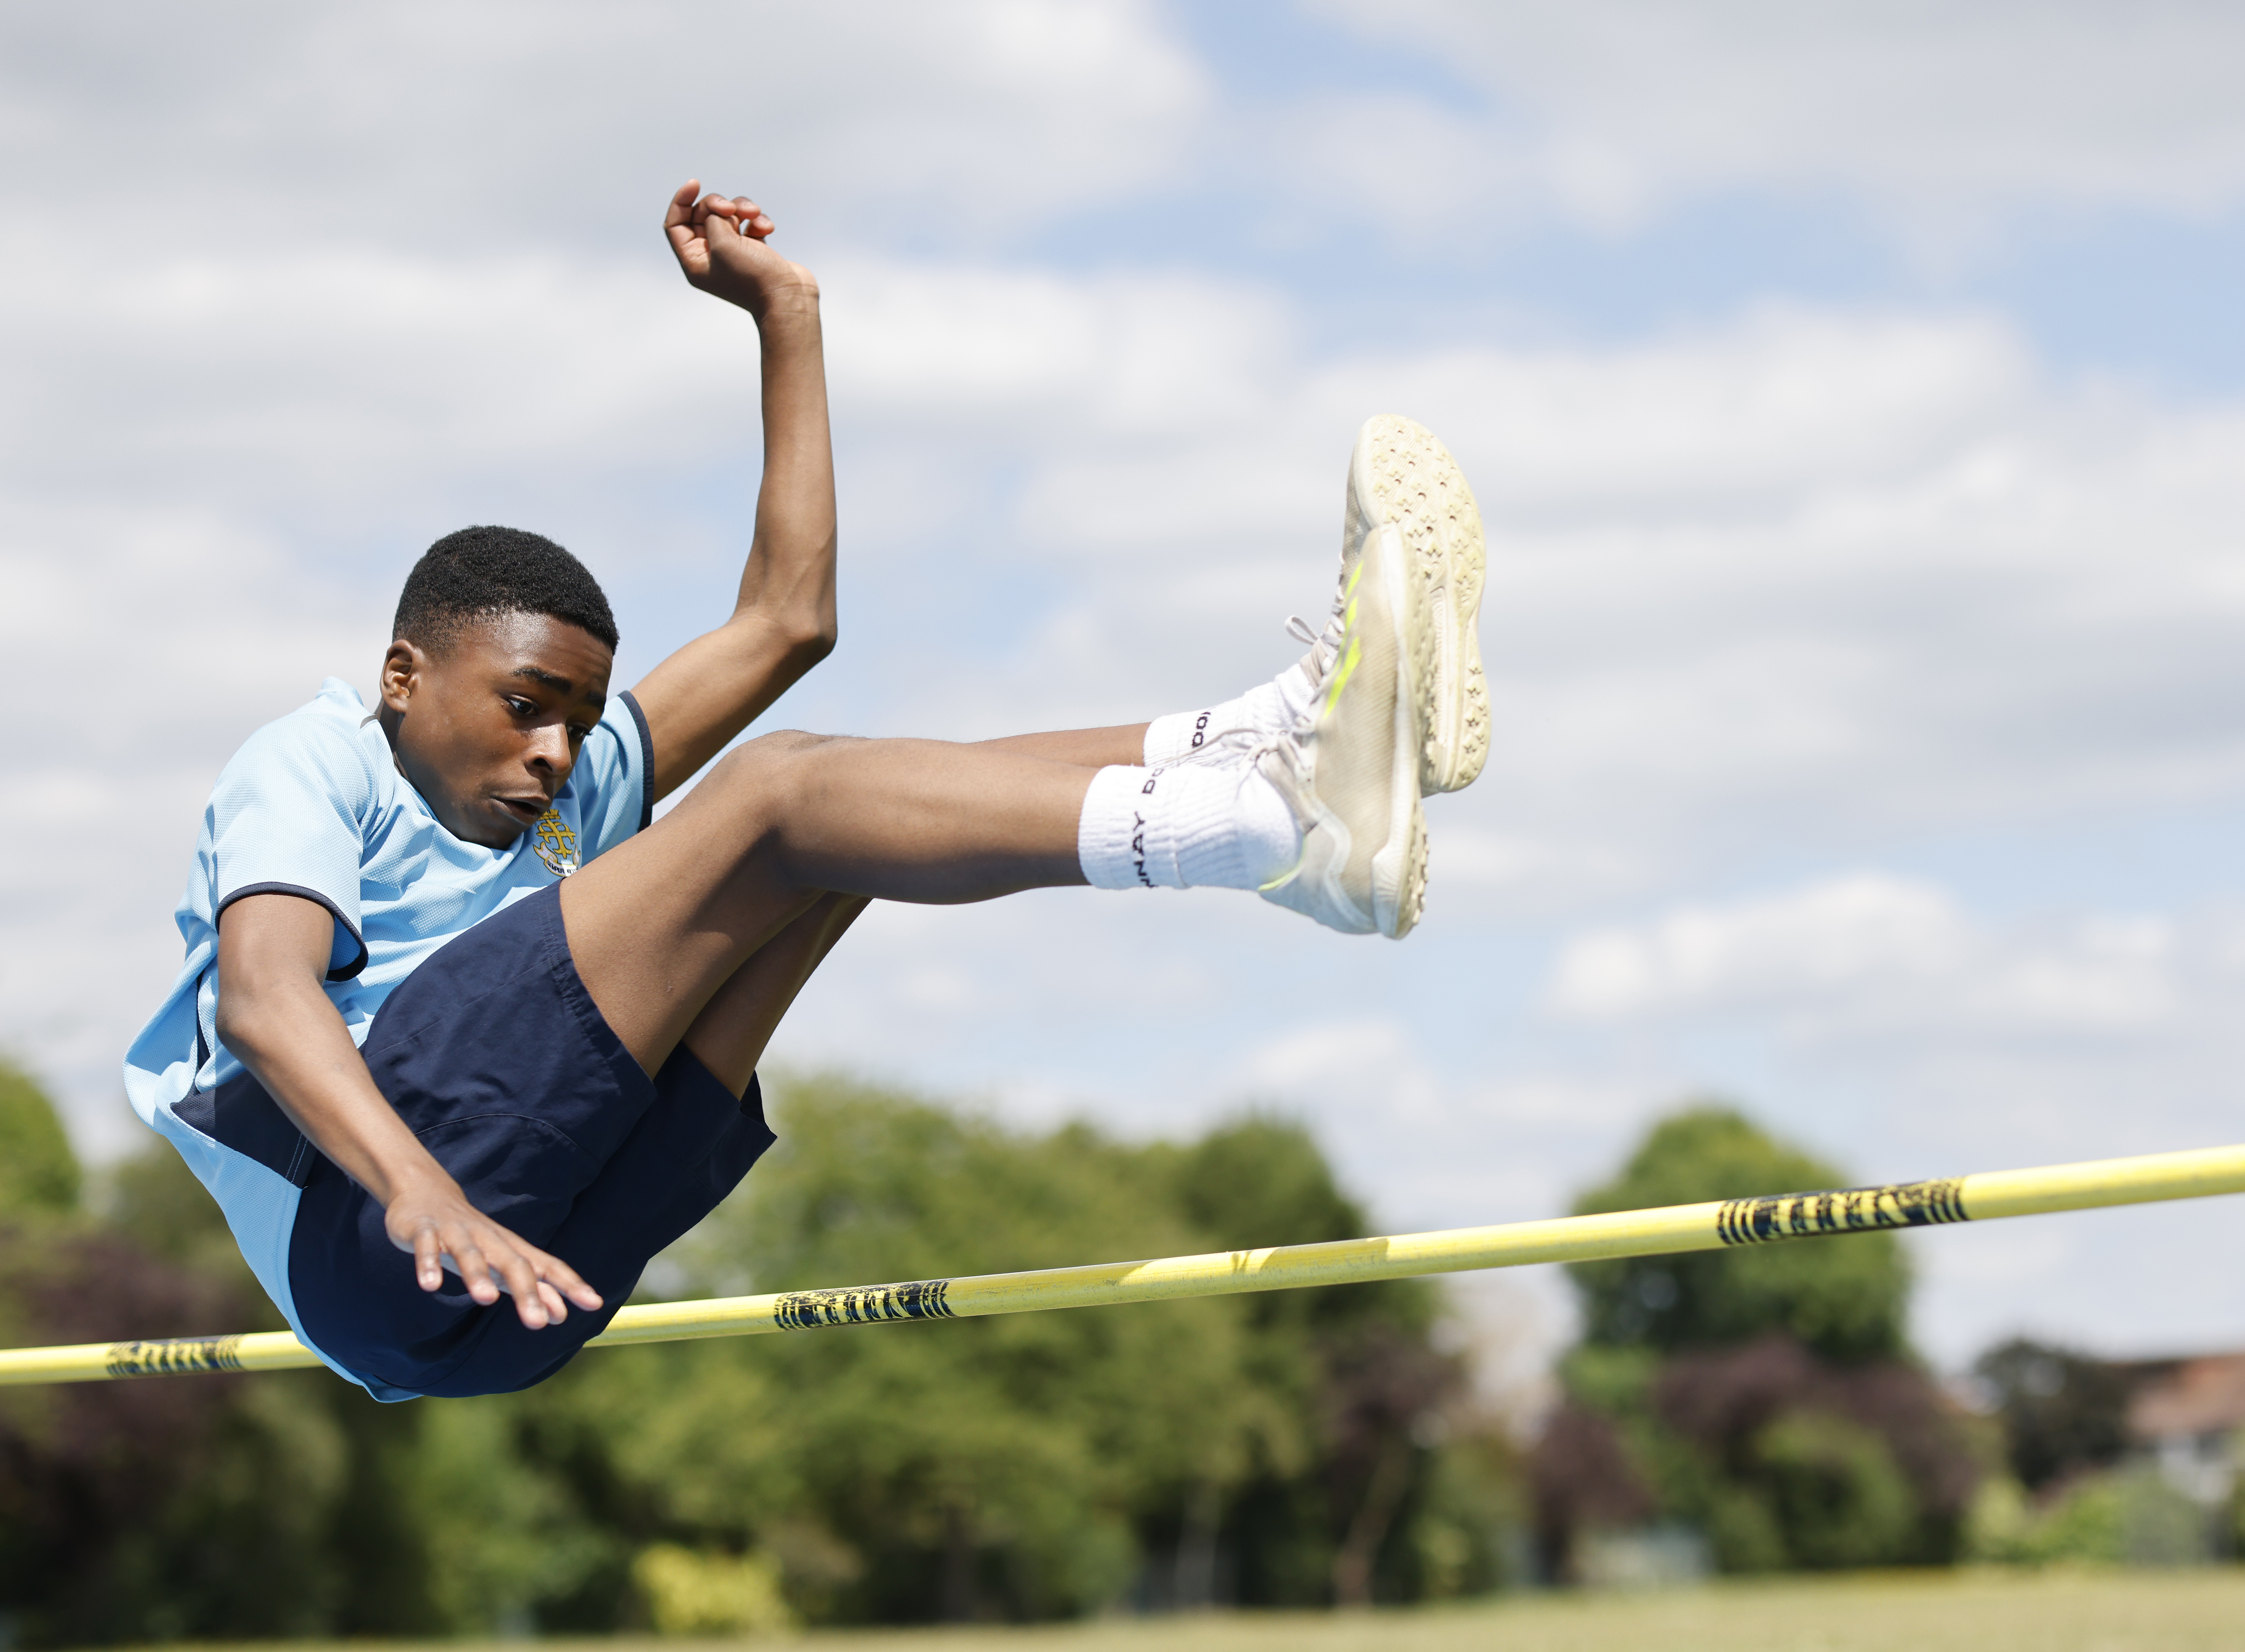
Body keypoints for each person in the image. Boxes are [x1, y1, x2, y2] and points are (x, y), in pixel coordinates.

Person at [122, 181, 1491, 1400]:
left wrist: (788, 315)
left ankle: (1260, 737)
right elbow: (266, 997)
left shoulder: (567, 798)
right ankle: (1273, 832)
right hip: (373, 1231)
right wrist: (419, 1191)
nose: (557, 756)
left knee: (860, 822)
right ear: (404, 675)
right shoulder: (316, 759)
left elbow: (787, 620)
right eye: (524, 708)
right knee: (780, 793)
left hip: (530, 1288)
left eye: (581, 724)